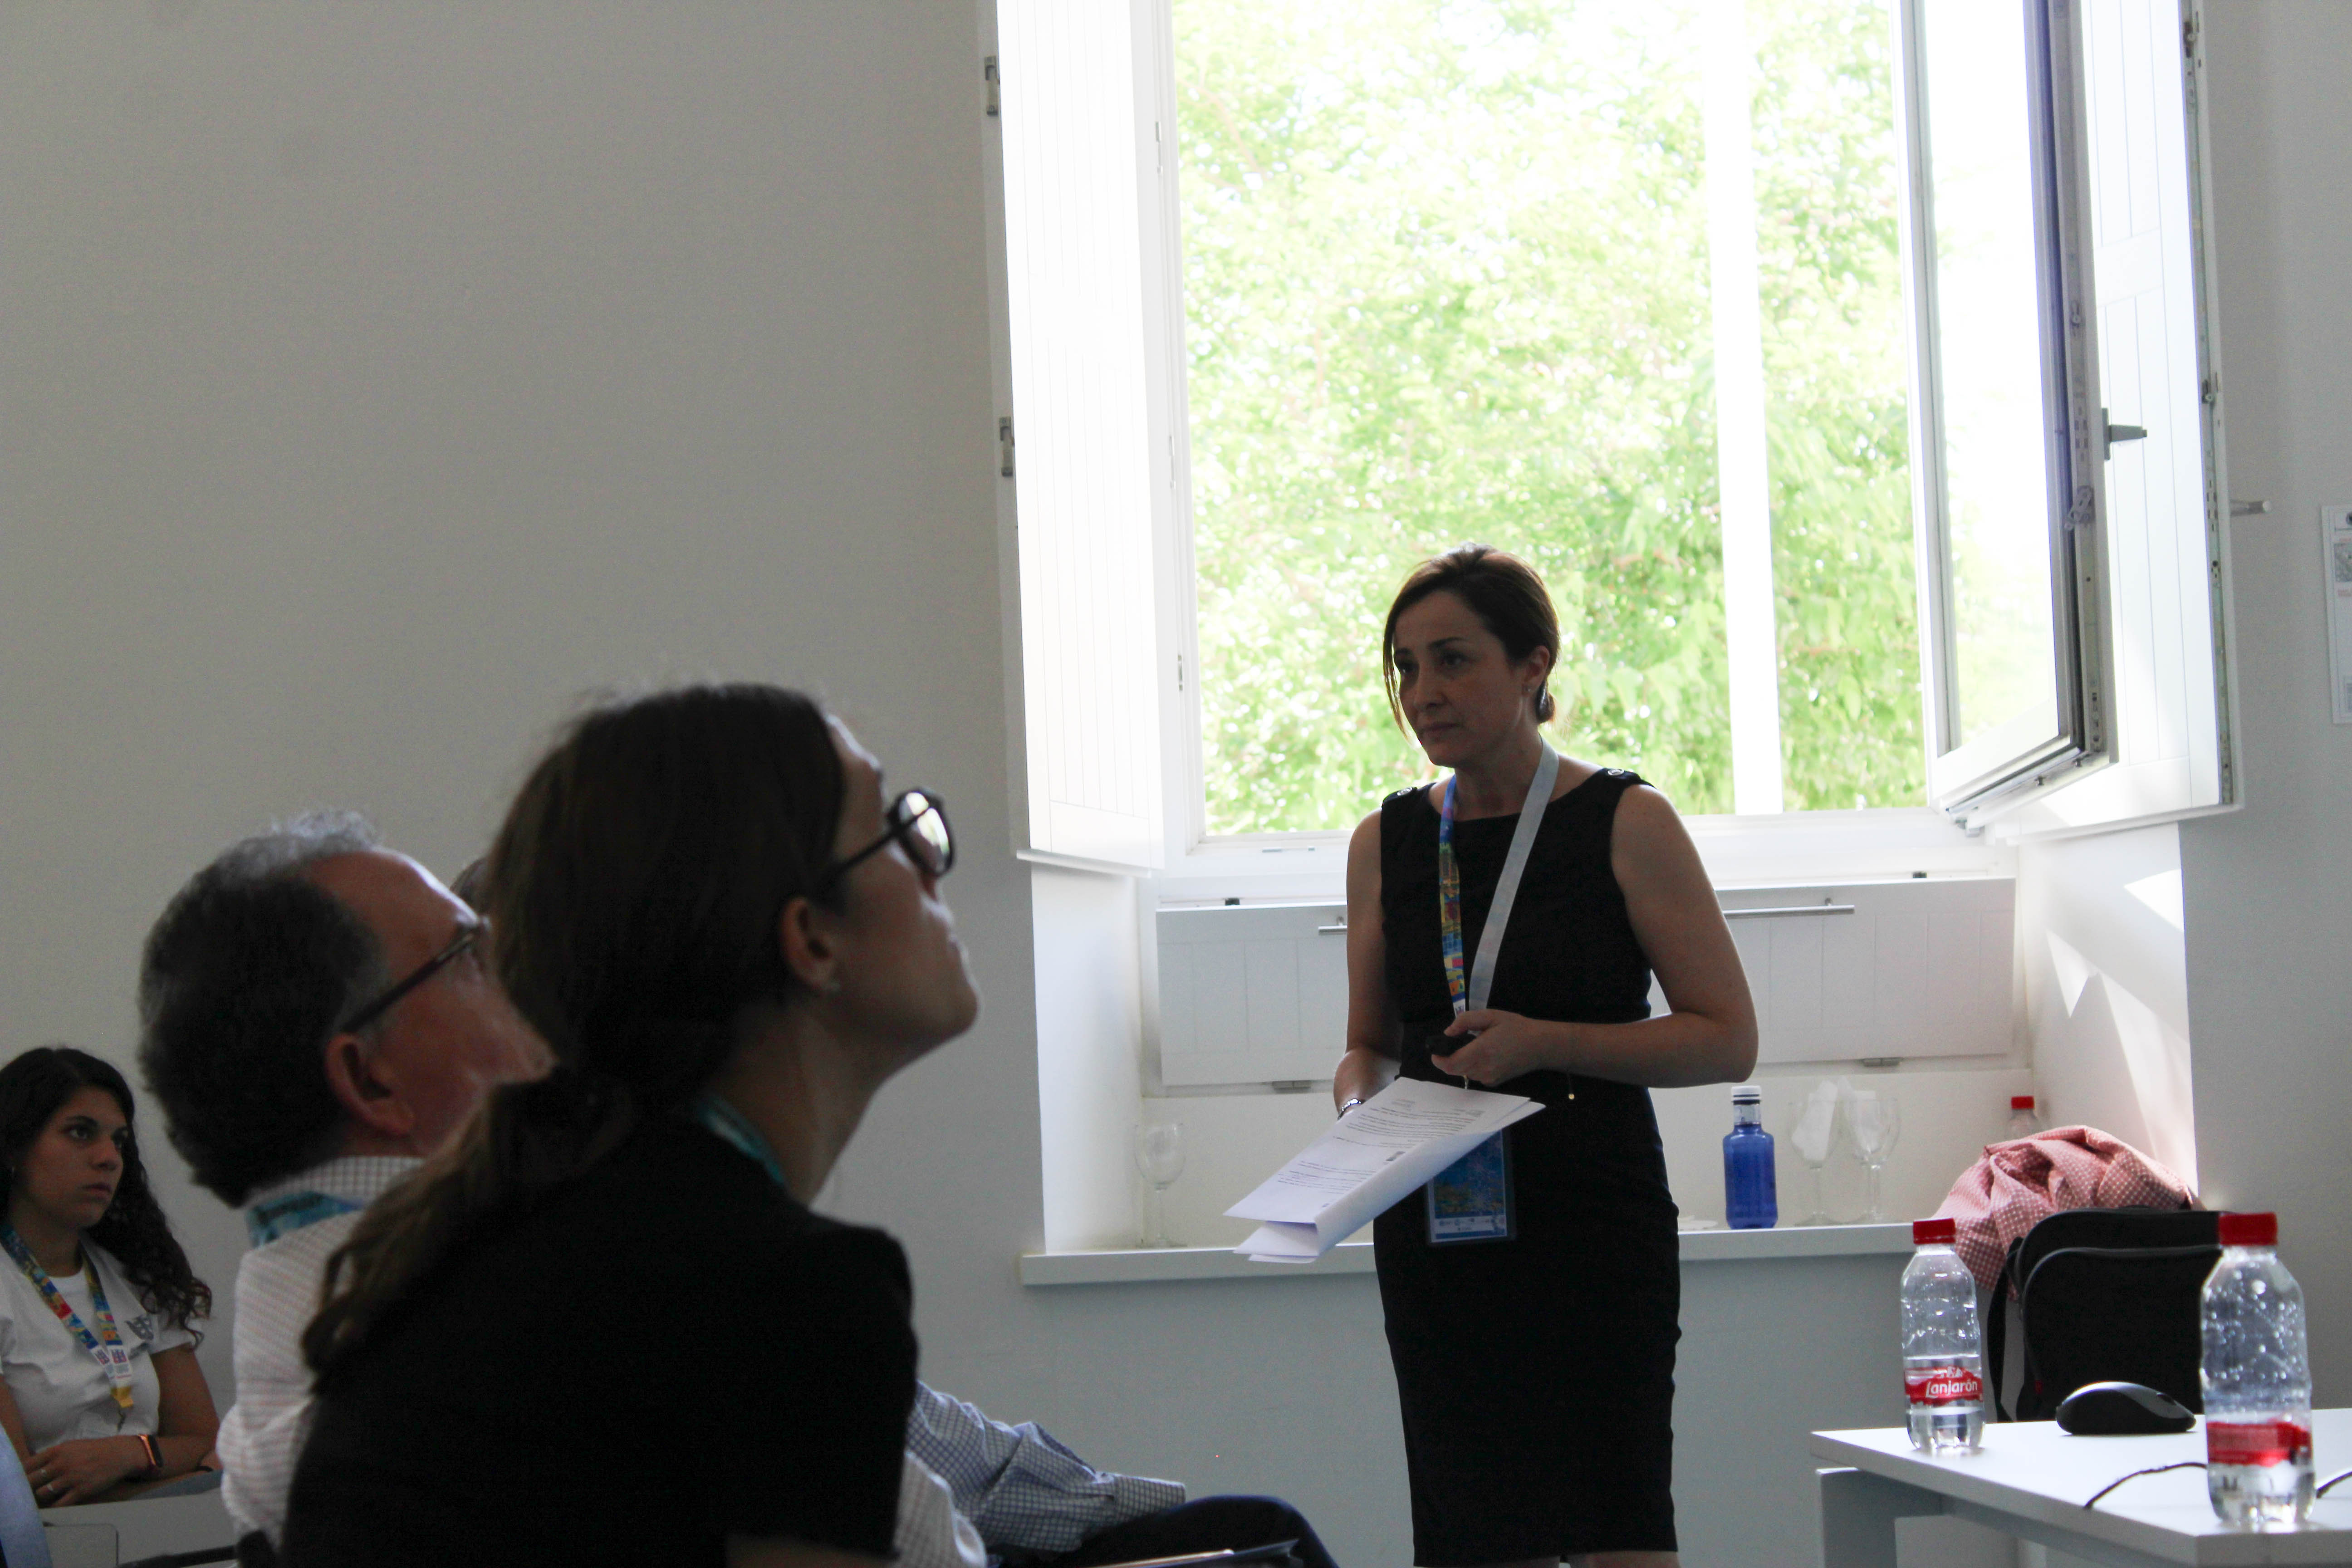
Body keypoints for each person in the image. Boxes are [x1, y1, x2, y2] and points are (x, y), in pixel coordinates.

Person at [279, 683, 976, 1566]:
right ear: (810, 941)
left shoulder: (484, 1239)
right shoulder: (779, 1292)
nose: (931, 861)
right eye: (890, 827)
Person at [1334, 546, 1757, 1568]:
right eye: (1405, 668)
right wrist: (1358, 1115)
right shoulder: (1383, 841)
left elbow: (1725, 1036)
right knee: (1472, 1532)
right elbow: (1365, 1047)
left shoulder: (1625, 821)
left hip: (1589, 1224)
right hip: (1439, 1226)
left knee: (1618, 1525)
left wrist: (1543, 1042)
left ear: (1533, 665)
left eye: (1452, 660)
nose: (1423, 694)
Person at [137, 812, 548, 1554]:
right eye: (471, 953)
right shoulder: (500, 1346)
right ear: (370, 1077)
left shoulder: (304, 1310)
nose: (522, 986)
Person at [0, 1048, 219, 1508]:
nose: (109, 1158)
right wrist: (186, 1474)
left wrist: (129, 1454)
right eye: (80, 1133)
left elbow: (203, 1439)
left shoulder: (138, 1274)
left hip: (165, 1522)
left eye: (118, 1141)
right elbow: (21, 1496)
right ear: (13, 1146)